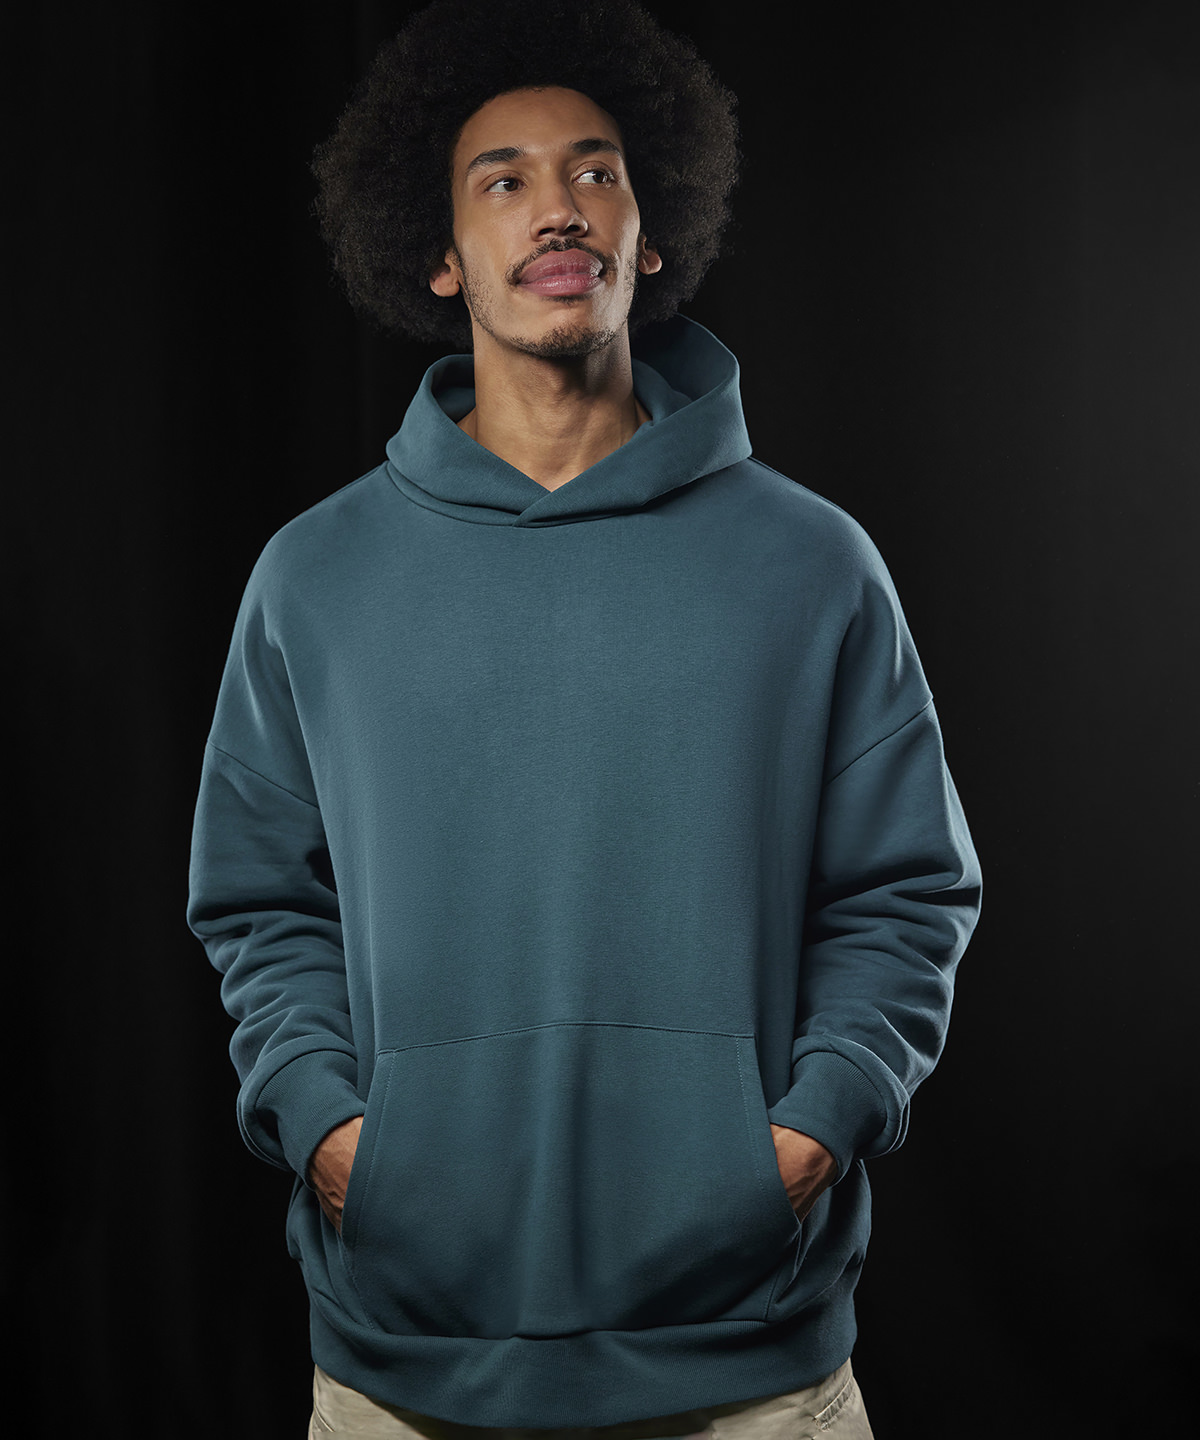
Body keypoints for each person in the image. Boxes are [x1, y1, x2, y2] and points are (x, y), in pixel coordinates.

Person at [186, 2, 982, 1435]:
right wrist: (335, 1134)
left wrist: (804, 1138)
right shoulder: (315, 577)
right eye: (502, 179)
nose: (558, 205)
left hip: (754, 1367)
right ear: (439, 254)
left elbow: (907, 892)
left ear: (649, 233)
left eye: (595, 171)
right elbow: (259, 902)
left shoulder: (810, 562)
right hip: (406, 1365)